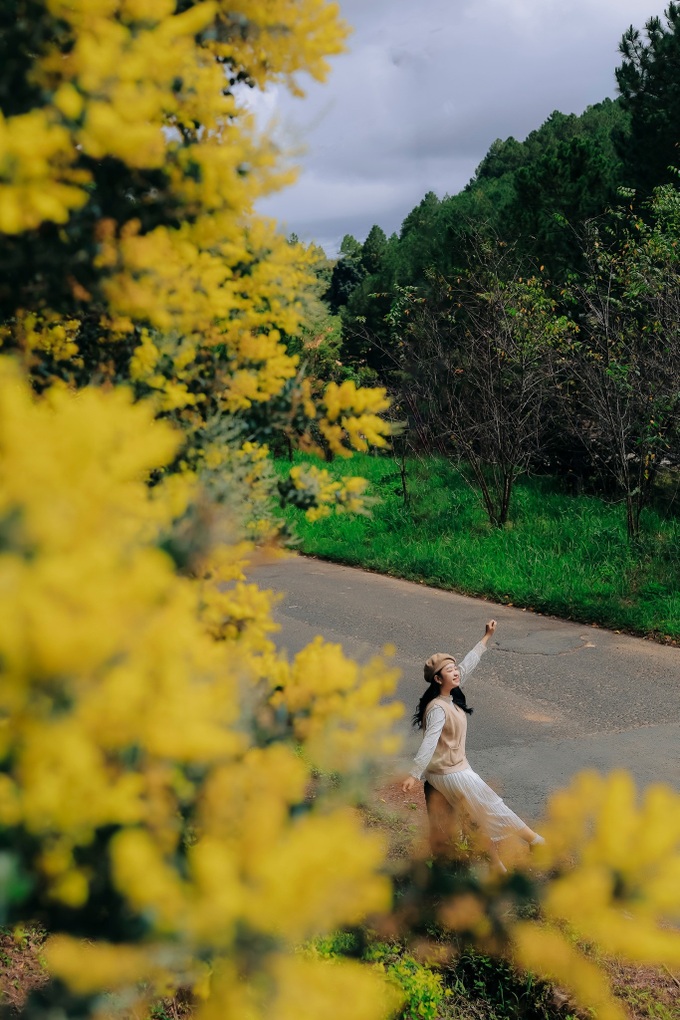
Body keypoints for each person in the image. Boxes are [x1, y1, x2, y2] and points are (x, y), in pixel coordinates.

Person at [401, 619, 544, 870]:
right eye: (449, 670)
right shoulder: (437, 709)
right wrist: (414, 774)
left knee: (477, 817)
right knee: (490, 805)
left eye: (455, 668)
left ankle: (497, 867)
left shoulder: (450, 695)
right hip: (447, 774)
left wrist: (486, 637)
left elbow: (468, 665)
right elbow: (428, 744)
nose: (456, 671)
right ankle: (534, 840)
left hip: (457, 770)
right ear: (437, 679)